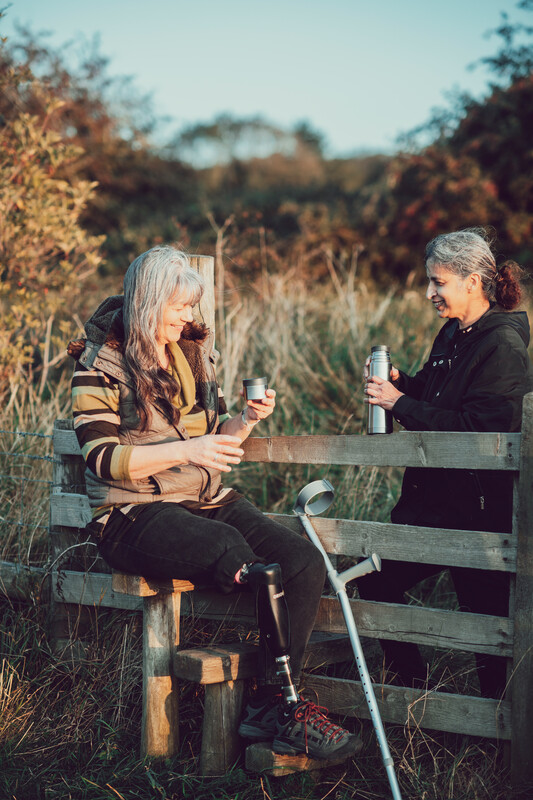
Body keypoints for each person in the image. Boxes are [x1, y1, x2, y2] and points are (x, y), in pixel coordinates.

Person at [68, 244, 361, 761]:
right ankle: (283, 706)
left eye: (191, 307)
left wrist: (245, 421)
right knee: (232, 549)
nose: (189, 317)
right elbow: (101, 458)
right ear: (148, 302)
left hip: (203, 499)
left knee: (300, 562)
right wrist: (190, 449)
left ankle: (272, 705)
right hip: (130, 513)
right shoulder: (100, 366)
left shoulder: (194, 356)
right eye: (179, 307)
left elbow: (216, 438)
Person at [362, 228, 533, 699]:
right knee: (373, 579)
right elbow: (445, 404)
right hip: (429, 506)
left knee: (487, 632)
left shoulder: (503, 346)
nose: (429, 292)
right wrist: (405, 384)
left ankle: (493, 743)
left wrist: (398, 404)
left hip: (477, 515)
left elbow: (480, 433)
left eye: (438, 282)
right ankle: (411, 693)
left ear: (473, 281)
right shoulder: (454, 333)